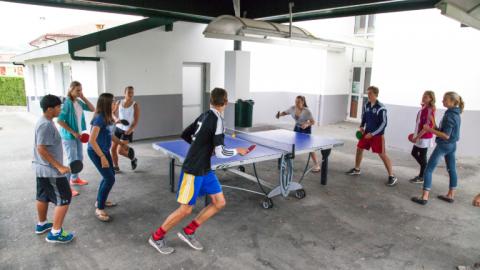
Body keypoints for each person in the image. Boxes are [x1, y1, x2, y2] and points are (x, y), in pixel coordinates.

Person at [148, 88, 249, 254]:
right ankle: (157, 237)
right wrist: (238, 150)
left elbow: (186, 134)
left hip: (205, 168)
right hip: (193, 169)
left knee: (219, 202)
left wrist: (201, 146)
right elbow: (221, 152)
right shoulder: (218, 120)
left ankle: (188, 231)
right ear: (225, 102)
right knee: (185, 209)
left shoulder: (204, 115)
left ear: (211, 101)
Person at [33, 94, 75, 243]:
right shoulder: (45, 124)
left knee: (43, 196)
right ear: (50, 109)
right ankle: (55, 233)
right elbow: (41, 148)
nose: (60, 109)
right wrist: (60, 166)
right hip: (50, 170)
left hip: (41, 169)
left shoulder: (45, 121)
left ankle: (42, 224)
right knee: (65, 197)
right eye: (58, 107)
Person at [411, 91, 464, 205]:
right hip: (452, 145)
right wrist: (434, 123)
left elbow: (445, 135)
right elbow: (443, 131)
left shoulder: (450, 115)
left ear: (453, 102)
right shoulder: (455, 113)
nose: (442, 101)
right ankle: (450, 195)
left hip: (444, 145)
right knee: (451, 169)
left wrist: (430, 129)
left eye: (445, 100)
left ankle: (424, 197)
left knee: (428, 170)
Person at [88, 93, 130, 221]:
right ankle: (99, 208)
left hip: (104, 150)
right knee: (109, 178)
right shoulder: (99, 119)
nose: (116, 103)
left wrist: (121, 143)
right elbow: (92, 140)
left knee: (109, 176)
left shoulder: (109, 117)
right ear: (107, 104)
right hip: (96, 152)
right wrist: (102, 157)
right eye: (114, 101)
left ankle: (100, 200)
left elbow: (110, 135)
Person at [346, 86, 398, 186]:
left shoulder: (381, 107)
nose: (368, 95)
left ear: (375, 94)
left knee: (382, 154)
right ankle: (357, 169)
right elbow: (364, 117)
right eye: (367, 93)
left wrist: (373, 134)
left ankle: (392, 176)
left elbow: (384, 123)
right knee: (359, 149)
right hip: (366, 133)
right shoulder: (367, 105)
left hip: (377, 135)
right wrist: (361, 126)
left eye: (370, 93)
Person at [58, 81, 95, 197]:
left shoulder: (78, 101)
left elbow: (92, 108)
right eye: (77, 90)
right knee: (72, 161)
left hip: (78, 135)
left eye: (81, 90)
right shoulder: (67, 103)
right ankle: (66, 188)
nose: (80, 92)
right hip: (69, 137)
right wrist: (72, 132)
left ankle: (74, 178)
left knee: (79, 158)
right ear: (71, 90)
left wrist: (83, 97)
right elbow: (59, 120)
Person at [276, 95, 320, 172]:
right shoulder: (292, 108)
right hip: (297, 128)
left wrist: (306, 124)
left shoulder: (307, 111)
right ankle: (287, 162)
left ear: (302, 102)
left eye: (298, 102)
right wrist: (279, 114)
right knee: (292, 145)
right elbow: (285, 112)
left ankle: (317, 165)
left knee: (310, 147)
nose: (296, 103)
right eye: (296, 101)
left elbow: (313, 122)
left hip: (305, 129)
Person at [409, 91, 436, 184]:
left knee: (421, 155)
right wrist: (415, 134)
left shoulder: (429, 109)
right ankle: (424, 172)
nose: (424, 97)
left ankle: (422, 176)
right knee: (415, 153)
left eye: (426, 97)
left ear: (431, 99)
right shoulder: (424, 107)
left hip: (424, 137)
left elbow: (427, 127)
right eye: (423, 96)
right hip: (420, 135)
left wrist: (417, 137)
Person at [112, 86, 140, 172]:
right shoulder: (119, 102)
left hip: (127, 131)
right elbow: (112, 113)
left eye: (132, 92)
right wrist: (116, 119)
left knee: (120, 151)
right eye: (129, 92)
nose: (131, 94)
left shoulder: (135, 105)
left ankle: (133, 158)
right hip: (118, 128)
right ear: (125, 93)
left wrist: (131, 129)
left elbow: (136, 120)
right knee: (113, 149)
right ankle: (116, 167)